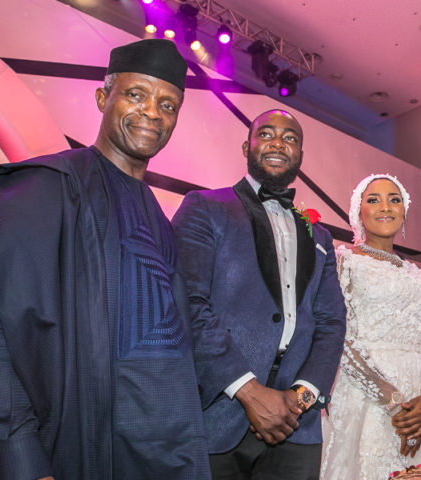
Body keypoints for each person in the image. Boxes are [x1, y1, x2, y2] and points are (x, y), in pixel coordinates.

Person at [0, 39, 211, 479]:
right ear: (103, 97)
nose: (153, 113)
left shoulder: (162, 220)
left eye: (168, 104)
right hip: (74, 451)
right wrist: (18, 453)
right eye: (136, 94)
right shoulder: (47, 188)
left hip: (167, 455)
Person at [171, 109, 347, 479]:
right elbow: (188, 303)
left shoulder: (322, 238)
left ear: (299, 154)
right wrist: (249, 392)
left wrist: (300, 399)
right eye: (266, 133)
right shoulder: (205, 208)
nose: (278, 143)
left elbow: (332, 322)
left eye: (290, 137)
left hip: (296, 427)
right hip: (219, 415)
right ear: (246, 146)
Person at [321, 174, 421, 479]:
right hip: (369, 400)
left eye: (394, 199)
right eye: (374, 200)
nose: (385, 207)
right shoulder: (344, 262)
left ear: (404, 212)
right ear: (359, 212)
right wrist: (394, 403)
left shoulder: (416, 272)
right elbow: (341, 337)